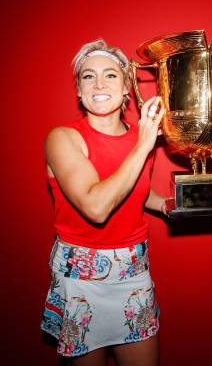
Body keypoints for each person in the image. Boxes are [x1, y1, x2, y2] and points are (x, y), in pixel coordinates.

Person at [40, 39, 167, 366]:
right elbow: (96, 206)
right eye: (87, 76)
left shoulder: (137, 138)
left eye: (110, 75)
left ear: (127, 87)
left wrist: (170, 205)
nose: (98, 84)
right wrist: (143, 145)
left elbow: (134, 189)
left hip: (134, 272)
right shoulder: (62, 138)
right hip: (81, 279)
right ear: (78, 90)